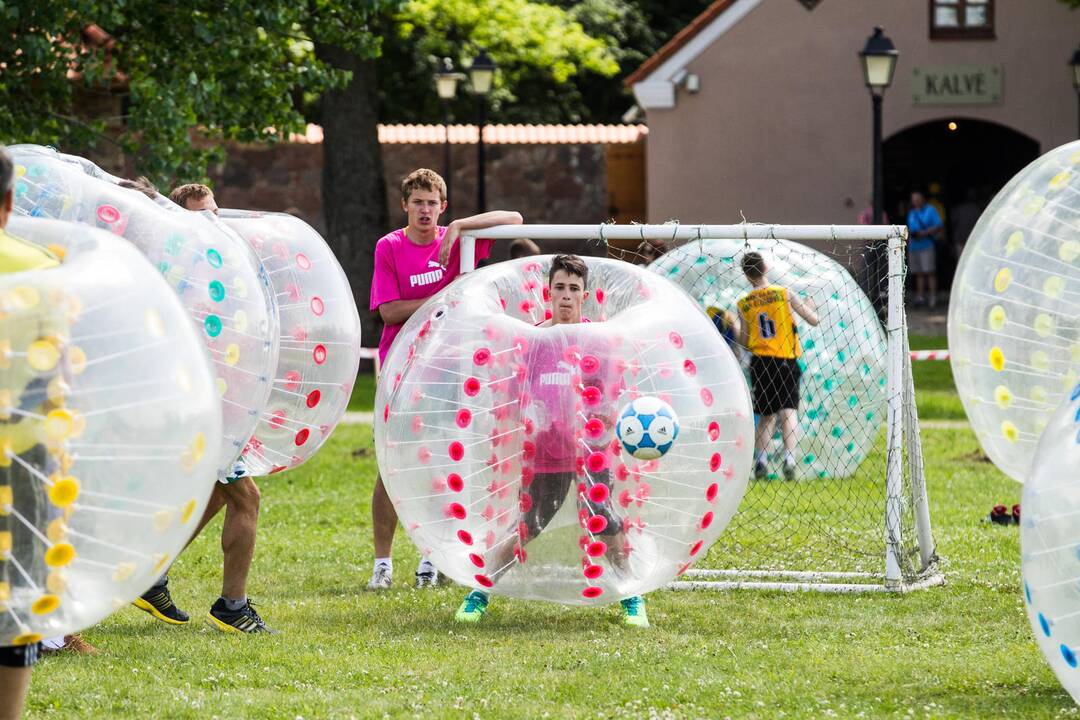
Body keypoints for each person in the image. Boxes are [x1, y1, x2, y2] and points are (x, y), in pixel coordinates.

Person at [454, 254, 650, 628]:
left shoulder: (598, 342)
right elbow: (514, 399)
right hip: (545, 457)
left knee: (607, 523)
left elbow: (608, 403)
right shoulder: (533, 342)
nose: (565, 296)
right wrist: (531, 418)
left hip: (590, 456)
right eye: (559, 288)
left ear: (584, 295)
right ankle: (479, 593)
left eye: (573, 289)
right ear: (548, 292)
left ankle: (632, 597)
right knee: (525, 527)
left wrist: (590, 421)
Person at [369, 168, 522, 590]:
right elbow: (390, 312)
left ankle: (430, 559)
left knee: (444, 461)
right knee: (391, 466)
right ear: (404, 206)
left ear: (443, 207)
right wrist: (449, 295)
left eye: (432, 203)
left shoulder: (459, 242)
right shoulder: (390, 247)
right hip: (403, 367)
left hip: (451, 369)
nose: (424, 210)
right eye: (417, 202)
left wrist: (460, 227)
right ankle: (383, 563)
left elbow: (514, 220)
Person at [132, 181, 272, 634]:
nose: (213, 224)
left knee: (215, 493)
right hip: (197, 407)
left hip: (219, 405)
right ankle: (233, 606)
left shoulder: (217, 269)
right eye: (200, 217)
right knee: (246, 497)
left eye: (215, 213)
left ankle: (151, 575)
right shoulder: (179, 274)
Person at [0, 147, 62, 720]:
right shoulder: (38, 266)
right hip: (20, 457)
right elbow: (57, 372)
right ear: (10, 202)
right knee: (18, 595)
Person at [736, 252, 819, 481]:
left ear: (746, 275)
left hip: (760, 364)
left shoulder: (744, 303)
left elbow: (744, 341)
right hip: (784, 361)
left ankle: (761, 460)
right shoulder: (784, 294)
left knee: (765, 415)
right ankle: (790, 459)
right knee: (788, 412)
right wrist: (810, 305)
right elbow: (813, 319)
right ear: (766, 268)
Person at [906, 191, 942, 308]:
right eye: (913, 199)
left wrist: (925, 232)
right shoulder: (911, 212)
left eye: (917, 199)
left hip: (927, 245)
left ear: (922, 199)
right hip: (914, 246)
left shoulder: (930, 210)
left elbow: (938, 225)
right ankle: (920, 297)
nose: (915, 201)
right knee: (918, 273)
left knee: (930, 271)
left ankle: (933, 297)